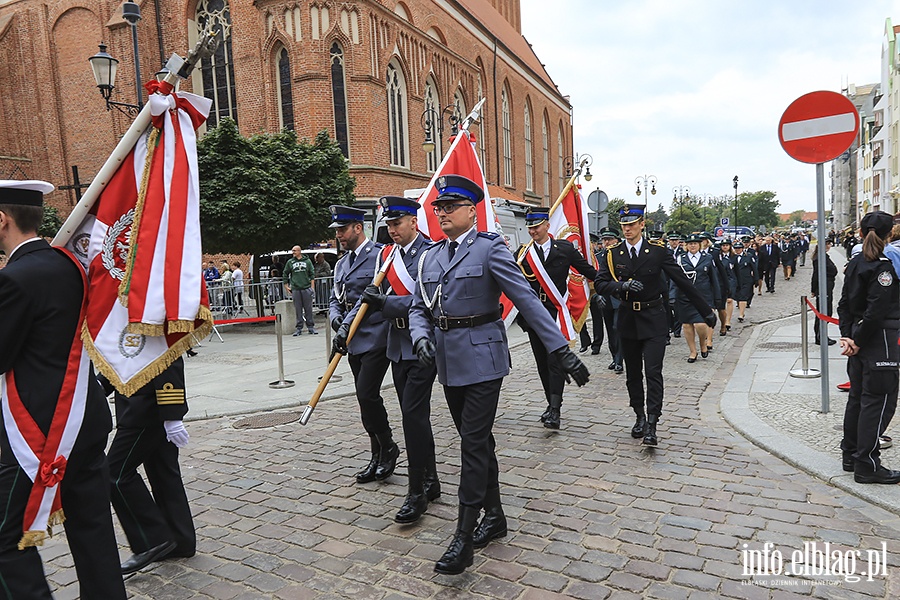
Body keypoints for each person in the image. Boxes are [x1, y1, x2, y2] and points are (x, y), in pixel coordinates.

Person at [408, 175, 589, 575]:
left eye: (451, 207)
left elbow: (526, 299)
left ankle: (462, 534)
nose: (442, 213)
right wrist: (421, 338)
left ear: (472, 210)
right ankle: (496, 515)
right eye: (438, 208)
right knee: (478, 442)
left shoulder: (490, 249)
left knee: (471, 445)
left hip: (484, 361)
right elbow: (419, 307)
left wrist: (560, 349)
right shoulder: (430, 257)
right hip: (447, 362)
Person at [0, 180, 127, 599]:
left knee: (7, 539)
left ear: (2, 220)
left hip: (37, 432)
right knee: (93, 532)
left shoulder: (15, 279)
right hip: (85, 418)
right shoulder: (70, 264)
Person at [595, 205, 715, 446]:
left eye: (632, 224)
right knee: (632, 374)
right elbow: (600, 283)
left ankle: (652, 422)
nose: (627, 229)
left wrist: (706, 311)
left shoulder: (657, 252)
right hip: (628, 319)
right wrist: (622, 287)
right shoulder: (613, 254)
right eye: (624, 225)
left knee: (653, 372)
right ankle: (638, 415)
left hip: (654, 317)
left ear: (642, 225)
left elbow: (682, 281)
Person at [354, 196, 441, 524]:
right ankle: (431, 480)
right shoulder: (388, 256)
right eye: (388, 225)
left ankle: (416, 491)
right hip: (396, 345)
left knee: (412, 415)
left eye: (397, 224)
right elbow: (371, 299)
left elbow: (425, 302)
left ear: (413, 222)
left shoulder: (429, 254)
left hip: (422, 344)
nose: (392, 230)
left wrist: (384, 305)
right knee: (415, 415)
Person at [101, 357, 195, 575]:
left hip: (146, 410)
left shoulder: (147, 321)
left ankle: (152, 539)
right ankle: (181, 540)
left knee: (114, 473)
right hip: (143, 406)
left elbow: (167, 354)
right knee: (164, 475)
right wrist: (100, 385)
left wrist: (172, 413)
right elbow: (124, 356)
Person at [329, 206, 398, 484]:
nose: (339, 236)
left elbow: (372, 295)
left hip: (375, 335)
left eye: (343, 230)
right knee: (363, 399)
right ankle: (377, 453)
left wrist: (347, 323)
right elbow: (336, 297)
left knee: (367, 394)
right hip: (352, 340)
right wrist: (336, 319)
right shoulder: (342, 263)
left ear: (358, 228)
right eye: (336, 231)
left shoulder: (379, 255)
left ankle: (389, 446)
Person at [514, 206, 597, 429]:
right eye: (530, 227)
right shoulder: (523, 254)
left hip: (555, 313)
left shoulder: (564, 249)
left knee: (554, 361)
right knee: (542, 362)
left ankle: (555, 409)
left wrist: (611, 284)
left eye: (537, 226)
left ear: (547, 226)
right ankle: (550, 404)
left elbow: (587, 270)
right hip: (533, 316)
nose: (533, 231)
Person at [837, 210, 900, 484]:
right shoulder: (882, 267)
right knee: (879, 401)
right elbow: (876, 311)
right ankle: (867, 464)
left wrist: (848, 336)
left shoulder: (855, 263)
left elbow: (844, 305)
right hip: (880, 340)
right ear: (889, 235)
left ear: (861, 233)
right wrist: (858, 340)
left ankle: (850, 454)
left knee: (858, 400)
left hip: (860, 339)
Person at [675, 234, 719, 362]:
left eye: (695, 243)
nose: (692, 245)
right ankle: (693, 351)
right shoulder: (680, 258)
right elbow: (675, 278)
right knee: (687, 325)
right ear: (686, 246)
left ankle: (702, 344)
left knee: (701, 324)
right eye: (690, 243)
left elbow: (713, 279)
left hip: (703, 296)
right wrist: (672, 296)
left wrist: (717, 298)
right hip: (684, 296)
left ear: (700, 245)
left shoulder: (707, 258)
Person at [597, 227, 624, 370]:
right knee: (609, 329)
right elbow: (596, 279)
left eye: (609, 239)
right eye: (604, 239)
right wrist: (598, 294)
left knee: (617, 327)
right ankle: (614, 357)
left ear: (616, 240)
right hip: (605, 298)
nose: (606, 242)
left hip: (620, 297)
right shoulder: (599, 257)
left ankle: (620, 360)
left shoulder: (621, 255)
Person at [284, 246, 317, 335]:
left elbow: (312, 274)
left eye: (294, 251)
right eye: (292, 251)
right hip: (295, 289)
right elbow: (285, 273)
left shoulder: (307, 261)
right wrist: (286, 286)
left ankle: (311, 327)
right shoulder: (290, 262)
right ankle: (299, 328)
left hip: (306, 288)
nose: (293, 252)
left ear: (299, 251)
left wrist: (312, 288)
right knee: (298, 309)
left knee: (308, 308)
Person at [810, 239, 837, 346]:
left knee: (826, 312)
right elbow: (816, 274)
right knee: (823, 312)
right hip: (823, 288)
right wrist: (814, 289)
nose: (829, 246)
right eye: (828, 244)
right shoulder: (819, 258)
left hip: (827, 286)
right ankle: (820, 336)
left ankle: (822, 335)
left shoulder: (824, 256)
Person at [731, 240, 756, 323]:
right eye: (736, 248)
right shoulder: (732, 257)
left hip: (746, 280)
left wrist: (756, 280)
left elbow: (754, 268)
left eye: (739, 248)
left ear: (742, 249)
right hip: (735, 280)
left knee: (743, 296)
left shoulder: (748, 256)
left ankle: (741, 314)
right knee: (737, 296)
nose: (737, 250)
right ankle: (740, 308)